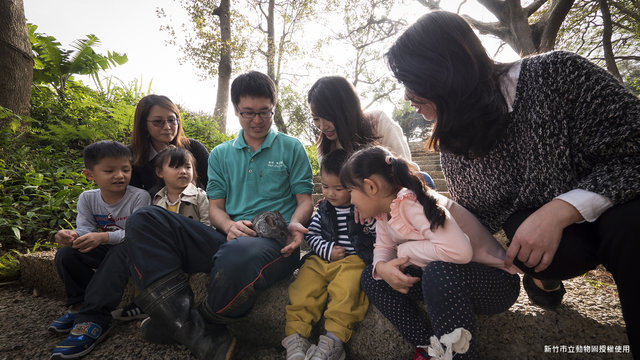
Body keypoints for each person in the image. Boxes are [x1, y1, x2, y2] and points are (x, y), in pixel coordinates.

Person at [386, 11, 640, 358]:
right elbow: (480, 222)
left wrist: (561, 210)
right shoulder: (454, 143)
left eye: (412, 81)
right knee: (522, 230)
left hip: (620, 209)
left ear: (445, 72)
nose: (406, 96)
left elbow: (633, 148)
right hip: (557, 248)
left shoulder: (558, 74)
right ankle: (544, 281)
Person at [124, 71, 314, 360]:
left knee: (236, 257)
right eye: (248, 113)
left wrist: (296, 223)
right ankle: (192, 328)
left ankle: (175, 322)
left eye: (265, 112)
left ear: (273, 108)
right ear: (236, 110)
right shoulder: (221, 154)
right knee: (143, 220)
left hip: (274, 243)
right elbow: (215, 209)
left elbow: (305, 200)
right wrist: (228, 225)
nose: (257, 120)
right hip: (226, 236)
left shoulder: (291, 148)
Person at [344, 146, 521, 360]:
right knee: (372, 278)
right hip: (445, 281)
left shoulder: (412, 202)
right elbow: (383, 248)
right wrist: (383, 267)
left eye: (351, 191)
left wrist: (405, 251)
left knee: (438, 273)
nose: (350, 200)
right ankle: (429, 349)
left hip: (495, 284)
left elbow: (460, 252)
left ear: (370, 186)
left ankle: (457, 356)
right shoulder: (384, 214)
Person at [48, 141, 151, 359]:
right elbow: (84, 228)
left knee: (120, 251)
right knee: (67, 254)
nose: (119, 175)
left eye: (126, 169)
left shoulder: (139, 197)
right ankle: (78, 306)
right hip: (106, 247)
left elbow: (137, 235)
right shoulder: (88, 198)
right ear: (89, 174)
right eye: (109, 170)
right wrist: (72, 236)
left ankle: (94, 318)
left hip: (132, 252)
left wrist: (103, 236)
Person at [282, 150, 376, 360]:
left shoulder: (363, 209)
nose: (330, 193)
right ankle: (296, 337)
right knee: (303, 287)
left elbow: (378, 234)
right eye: (325, 187)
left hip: (352, 261)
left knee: (348, 291)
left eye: (338, 188)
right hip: (322, 260)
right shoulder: (323, 210)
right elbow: (312, 236)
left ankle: (333, 340)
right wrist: (326, 249)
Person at [110, 146, 211, 321]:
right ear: (159, 172)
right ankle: (145, 303)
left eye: (187, 167)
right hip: (165, 250)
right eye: (175, 167)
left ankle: (173, 311)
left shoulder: (200, 196)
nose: (183, 172)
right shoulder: (155, 199)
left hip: (191, 247)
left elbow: (207, 226)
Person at [308, 76, 435, 190]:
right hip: (355, 204)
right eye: (316, 119)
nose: (323, 126)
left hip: (392, 192)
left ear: (346, 111)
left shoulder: (378, 121)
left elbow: (405, 170)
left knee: (424, 179)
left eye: (329, 117)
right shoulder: (325, 148)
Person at [129, 94, 209, 196]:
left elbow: (214, 185)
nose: (167, 127)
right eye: (158, 122)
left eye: (172, 120)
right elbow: (131, 197)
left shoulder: (194, 148)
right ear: (144, 125)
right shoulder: (131, 156)